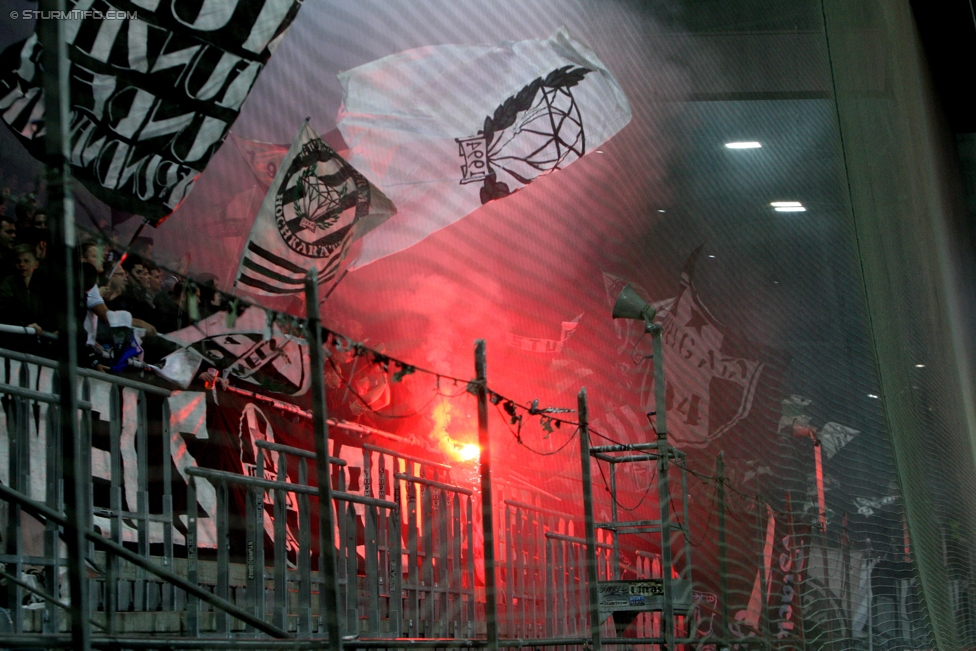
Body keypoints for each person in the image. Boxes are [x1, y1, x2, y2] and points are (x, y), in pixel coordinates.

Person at [0, 244, 55, 338]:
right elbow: (6, 312)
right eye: (18, 261)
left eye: (26, 261)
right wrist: (25, 325)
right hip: (13, 339)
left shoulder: (39, 288)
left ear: (36, 264)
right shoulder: (7, 284)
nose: (22, 264)